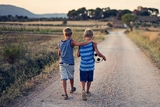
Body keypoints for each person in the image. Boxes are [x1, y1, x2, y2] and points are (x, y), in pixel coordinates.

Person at [58, 27, 92, 100]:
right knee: (71, 77)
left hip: (61, 62)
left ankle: (65, 94)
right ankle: (72, 88)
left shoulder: (60, 42)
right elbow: (81, 44)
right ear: (71, 34)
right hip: (70, 63)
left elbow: (59, 53)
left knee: (63, 78)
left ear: (64, 34)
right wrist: (89, 41)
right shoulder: (71, 41)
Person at [77, 28, 106, 101]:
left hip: (83, 66)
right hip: (90, 66)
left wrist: (79, 49)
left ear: (84, 36)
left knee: (82, 79)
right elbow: (98, 53)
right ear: (92, 36)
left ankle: (83, 89)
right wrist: (104, 57)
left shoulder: (81, 44)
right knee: (89, 80)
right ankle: (87, 91)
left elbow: (78, 55)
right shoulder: (93, 44)